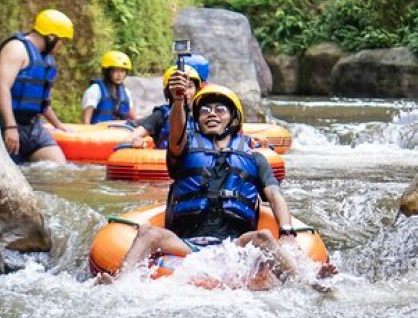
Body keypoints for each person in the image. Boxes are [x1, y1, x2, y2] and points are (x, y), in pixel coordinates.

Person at [100, 79, 299, 283]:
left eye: (220, 109)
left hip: (234, 245)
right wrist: (178, 101)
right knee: (147, 232)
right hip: (186, 244)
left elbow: (275, 196)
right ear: (198, 120)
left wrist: (286, 232)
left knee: (263, 236)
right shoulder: (184, 150)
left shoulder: (255, 159)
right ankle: (119, 283)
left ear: (233, 119)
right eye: (205, 110)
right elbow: (177, 134)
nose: (212, 113)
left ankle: (304, 281)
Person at [0, 9, 72, 165]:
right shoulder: (16, 49)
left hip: (33, 127)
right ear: (51, 36)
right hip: (7, 124)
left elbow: (44, 102)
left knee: (59, 167)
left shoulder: (46, 59)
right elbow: (2, 88)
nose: (61, 46)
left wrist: (58, 125)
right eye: (62, 40)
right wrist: (10, 126)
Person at [121, 65, 201, 149]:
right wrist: (136, 141)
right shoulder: (161, 115)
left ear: (196, 90)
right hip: (165, 159)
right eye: (180, 88)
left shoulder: (201, 115)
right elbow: (129, 139)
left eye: (190, 87)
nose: (185, 92)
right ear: (169, 91)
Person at [81, 50, 137, 125]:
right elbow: (86, 120)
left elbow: (133, 116)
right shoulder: (95, 89)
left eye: (122, 71)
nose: (119, 75)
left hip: (118, 132)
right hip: (98, 132)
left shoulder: (126, 92)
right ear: (107, 72)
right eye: (115, 71)